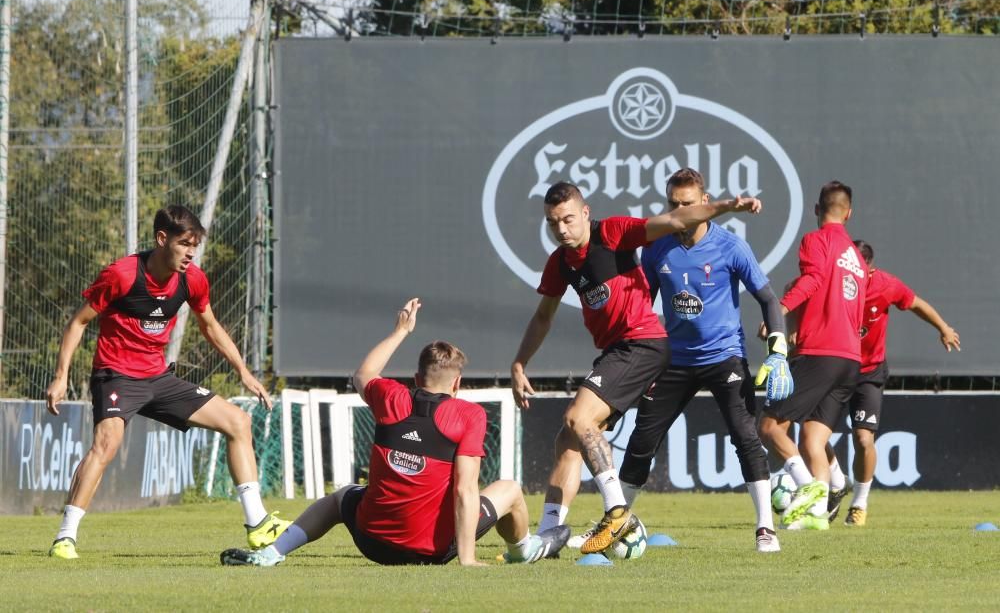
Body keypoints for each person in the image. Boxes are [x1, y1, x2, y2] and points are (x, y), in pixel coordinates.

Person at [510, 180, 762, 554]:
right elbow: (543, 317)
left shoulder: (611, 233)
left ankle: (617, 511)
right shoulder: (560, 263)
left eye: (567, 219)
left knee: (580, 419)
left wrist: (727, 206)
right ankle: (549, 534)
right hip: (617, 351)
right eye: (552, 223)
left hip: (643, 344)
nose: (561, 230)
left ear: (585, 213)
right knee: (569, 439)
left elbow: (677, 220)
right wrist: (519, 362)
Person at [221, 298, 570, 567]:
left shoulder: (392, 397)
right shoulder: (468, 415)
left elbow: (363, 374)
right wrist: (466, 558)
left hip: (373, 543)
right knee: (509, 489)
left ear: (417, 379)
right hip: (433, 551)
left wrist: (401, 330)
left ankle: (273, 553)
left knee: (339, 498)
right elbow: (464, 490)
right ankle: (522, 549)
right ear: (458, 384)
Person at [45, 205, 289, 559]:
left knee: (238, 421)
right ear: (162, 239)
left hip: (159, 378)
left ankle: (257, 524)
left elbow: (210, 326)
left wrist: (243, 371)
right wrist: (60, 376)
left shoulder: (193, 279)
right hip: (117, 375)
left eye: (195, 245)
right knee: (107, 444)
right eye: (184, 243)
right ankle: (65, 538)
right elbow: (78, 322)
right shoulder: (123, 275)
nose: (191, 252)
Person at [602, 168, 789, 554]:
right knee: (641, 441)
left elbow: (769, 299)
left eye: (687, 204)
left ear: (705, 204)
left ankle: (766, 530)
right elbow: (641, 305)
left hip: (725, 357)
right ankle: (613, 526)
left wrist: (779, 351)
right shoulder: (656, 248)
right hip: (675, 359)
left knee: (746, 437)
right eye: (673, 204)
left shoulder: (731, 246)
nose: (680, 210)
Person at [824, 240, 960, 527]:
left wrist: (944, 328)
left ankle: (859, 504)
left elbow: (917, 303)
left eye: (856, 267)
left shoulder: (886, 285)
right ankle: (836, 480)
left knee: (863, 439)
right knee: (815, 435)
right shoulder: (832, 280)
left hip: (869, 372)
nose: (850, 271)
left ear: (869, 269)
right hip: (834, 367)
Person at [757, 181, 866, 531]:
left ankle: (809, 489)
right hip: (850, 359)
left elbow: (815, 279)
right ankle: (817, 516)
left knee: (770, 427)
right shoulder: (856, 258)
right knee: (812, 440)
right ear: (848, 213)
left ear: (817, 210)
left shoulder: (816, 240)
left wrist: (781, 310)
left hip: (821, 352)